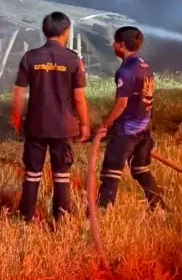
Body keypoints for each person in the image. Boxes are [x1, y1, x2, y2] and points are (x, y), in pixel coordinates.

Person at [10, 11, 90, 222]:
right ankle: (61, 218)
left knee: (32, 173)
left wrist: (16, 117)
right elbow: (79, 98)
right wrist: (85, 124)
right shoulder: (73, 59)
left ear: (44, 31)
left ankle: (25, 216)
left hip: (36, 125)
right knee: (62, 174)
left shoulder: (30, 57)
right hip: (63, 126)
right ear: (66, 31)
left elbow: (19, 91)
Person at [97, 26, 165, 210]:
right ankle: (158, 206)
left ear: (121, 45)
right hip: (144, 130)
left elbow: (121, 104)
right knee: (140, 169)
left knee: (111, 172)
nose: (112, 45)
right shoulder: (144, 65)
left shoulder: (126, 70)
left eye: (115, 42)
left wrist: (106, 124)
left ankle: (103, 210)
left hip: (126, 131)